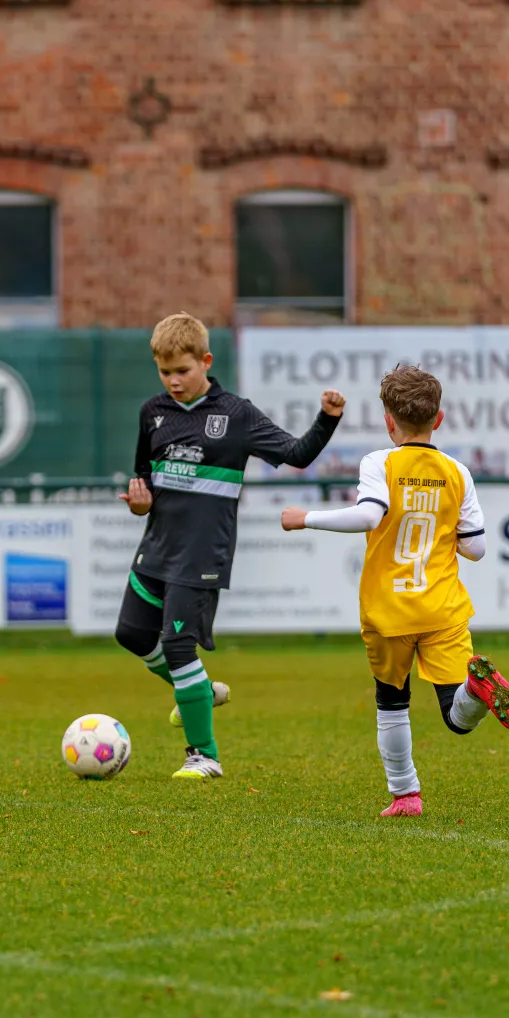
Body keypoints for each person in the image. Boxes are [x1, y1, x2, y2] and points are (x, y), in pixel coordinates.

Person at [280, 364, 509, 818]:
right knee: (456, 717)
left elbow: (369, 515)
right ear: (439, 419)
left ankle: (406, 794)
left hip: (388, 609)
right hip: (442, 608)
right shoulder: (457, 472)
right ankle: (476, 691)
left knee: (392, 703)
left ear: (388, 421)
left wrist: (305, 518)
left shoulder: (380, 463)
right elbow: (476, 549)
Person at [119, 313, 344, 779]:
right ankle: (200, 692)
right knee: (132, 635)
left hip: (202, 553)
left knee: (177, 645)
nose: (173, 381)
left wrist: (328, 418)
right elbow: (144, 481)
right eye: (165, 372)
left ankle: (204, 755)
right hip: (156, 546)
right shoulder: (152, 412)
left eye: (182, 371)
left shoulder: (236, 415)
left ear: (206, 361)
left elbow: (296, 454)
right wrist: (140, 504)